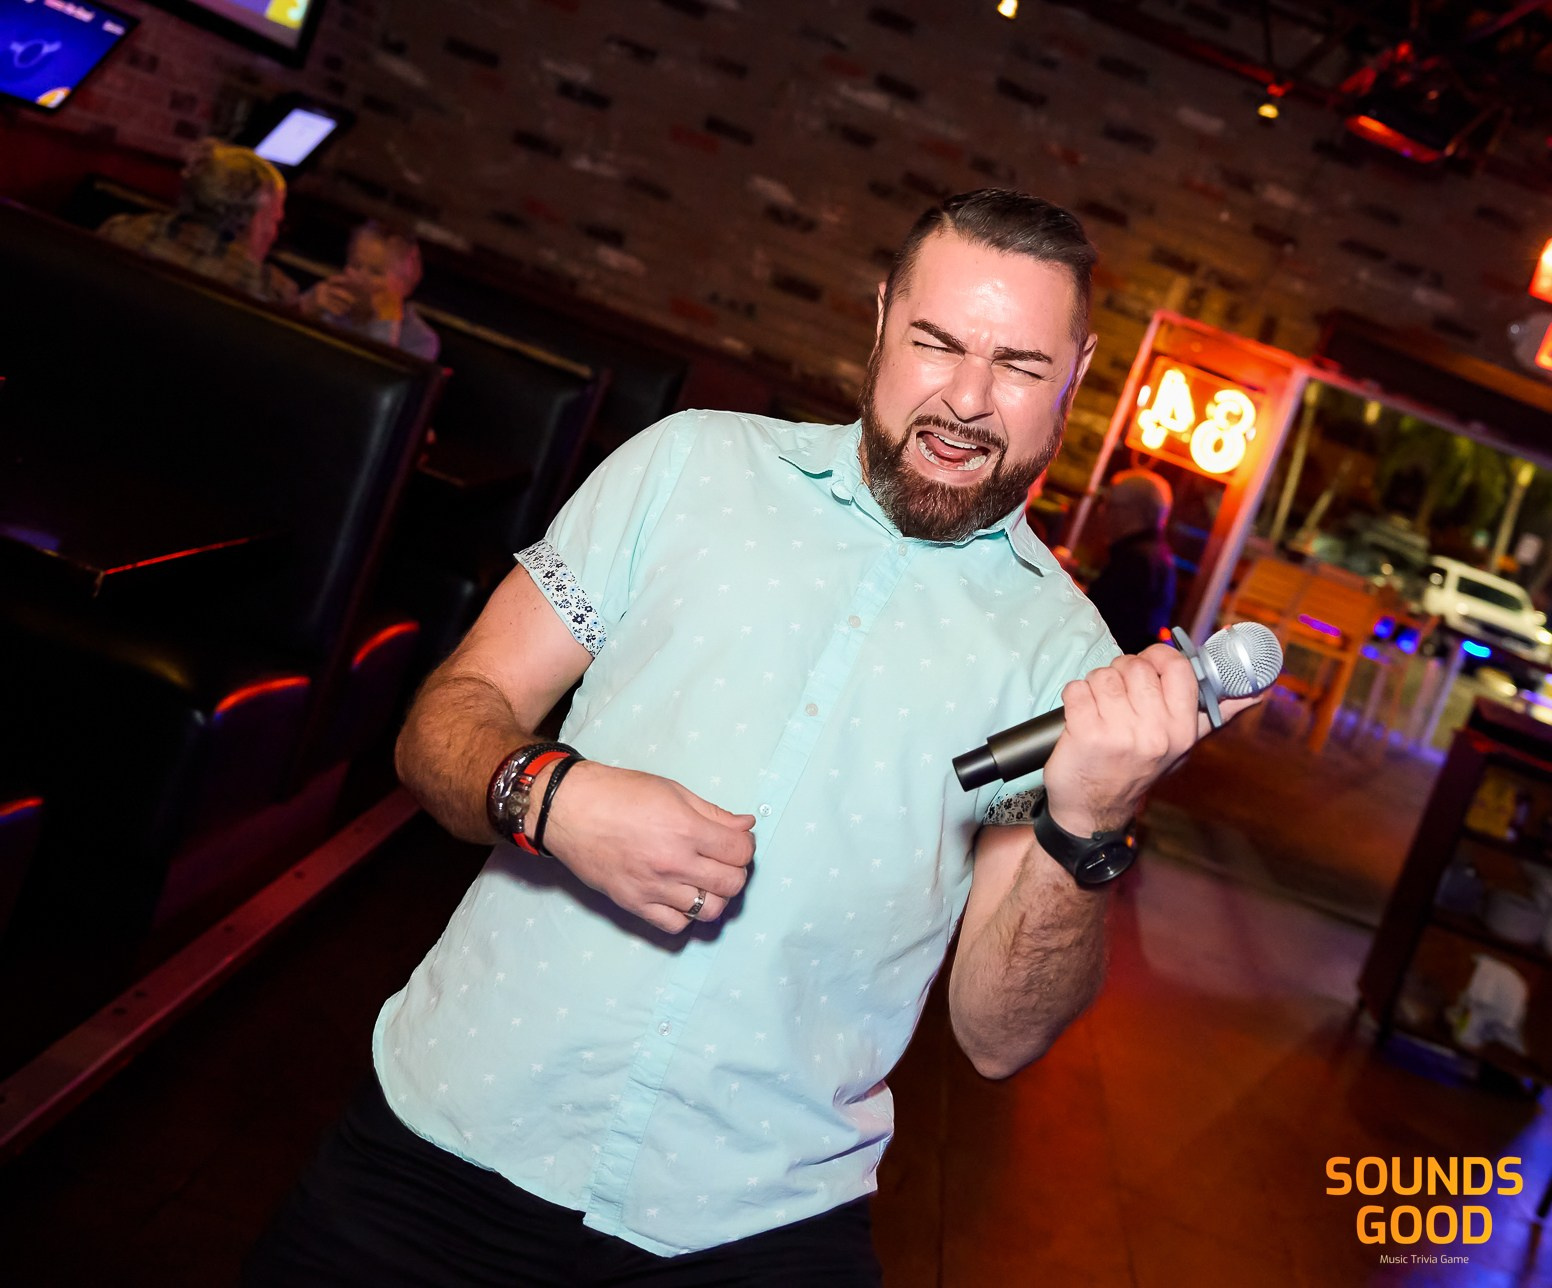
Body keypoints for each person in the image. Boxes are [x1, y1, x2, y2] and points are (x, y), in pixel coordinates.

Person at [245, 189, 1257, 1287]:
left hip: (751, 1224)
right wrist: (553, 796)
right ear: (882, 318)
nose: (966, 400)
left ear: (1077, 372)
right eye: (936, 342)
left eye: (1018, 364)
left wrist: (1088, 823)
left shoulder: (1067, 660)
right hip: (453, 1130)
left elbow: (998, 1036)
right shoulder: (688, 464)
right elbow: (446, 718)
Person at [98, 139, 298, 307]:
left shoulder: (119, 230)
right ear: (250, 221)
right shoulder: (265, 289)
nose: (274, 234)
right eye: (275, 221)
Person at [300, 221, 441, 361]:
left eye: (375, 272)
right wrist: (305, 307)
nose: (360, 279)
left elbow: (373, 372)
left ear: (405, 285)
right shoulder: (328, 300)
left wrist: (385, 322)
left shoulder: (421, 340)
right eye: (355, 265)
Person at [1084, 468, 1178, 654]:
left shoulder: (1135, 561)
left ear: (1131, 511)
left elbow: (1097, 620)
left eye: (1109, 505)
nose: (1102, 512)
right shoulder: (1157, 557)